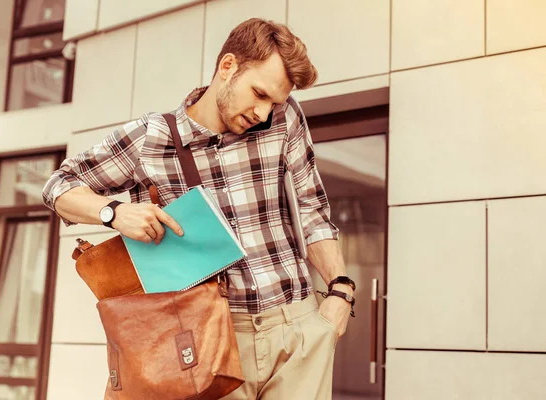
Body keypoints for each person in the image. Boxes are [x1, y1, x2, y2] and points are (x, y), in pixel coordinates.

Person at [42, 17, 355, 400]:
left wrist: (340, 292)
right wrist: (114, 212)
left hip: (300, 328)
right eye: (258, 94)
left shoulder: (284, 118)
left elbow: (312, 208)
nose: (263, 112)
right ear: (227, 67)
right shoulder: (151, 138)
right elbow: (58, 186)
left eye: (273, 101)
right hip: (211, 341)